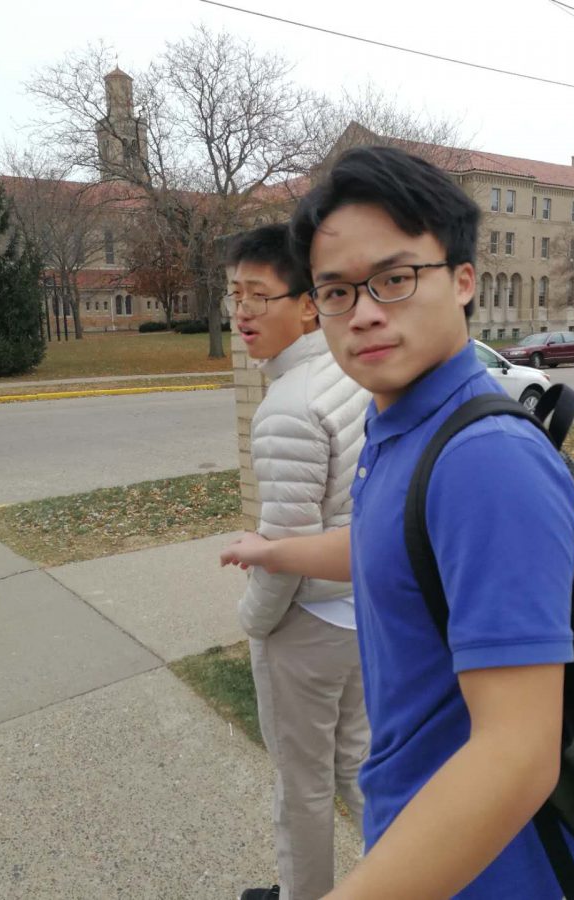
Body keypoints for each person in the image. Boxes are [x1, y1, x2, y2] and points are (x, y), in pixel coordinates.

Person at [222, 147, 574, 899]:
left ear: (461, 281)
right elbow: (391, 548)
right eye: (335, 291)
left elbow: (516, 755)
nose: (361, 312)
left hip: (487, 872)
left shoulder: (483, 458)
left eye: (393, 279)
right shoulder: (402, 421)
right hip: (415, 837)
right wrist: (275, 549)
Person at [225, 224, 371, 900]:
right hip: (360, 614)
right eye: (233, 295)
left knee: (301, 786)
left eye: (259, 294)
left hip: (307, 623)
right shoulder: (348, 371)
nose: (242, 312)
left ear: (308, 304)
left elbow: (281, 554)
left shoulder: (288, 405)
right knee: (360, 766)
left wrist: (252, 622)